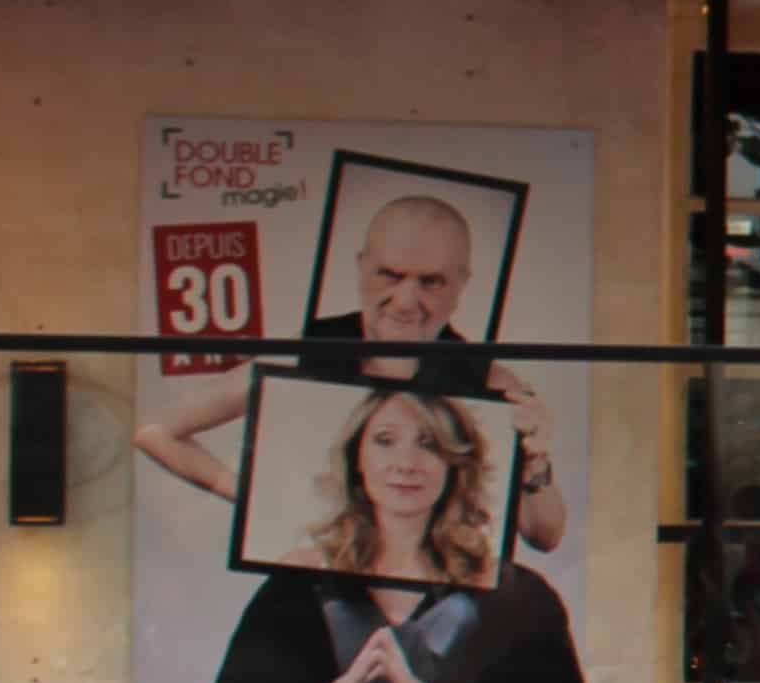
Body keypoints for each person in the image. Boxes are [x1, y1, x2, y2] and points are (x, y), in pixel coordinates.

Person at [186, 386, 588, 683]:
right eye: (385, 440)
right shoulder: (299, 587)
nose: (406, 463)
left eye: (429, 444)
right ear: (357, 459)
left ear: (456, 465)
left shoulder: (518, 598)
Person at [138, 190, 572, 559]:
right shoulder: (307, 354)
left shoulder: (492, 382)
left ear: (462, 284)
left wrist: (536, 465)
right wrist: (252, 496)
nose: (405, 301)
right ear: (362, 266)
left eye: (431, 282)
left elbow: (545, 536)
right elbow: (155, 431)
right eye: (390, 275)